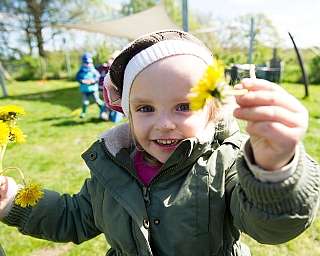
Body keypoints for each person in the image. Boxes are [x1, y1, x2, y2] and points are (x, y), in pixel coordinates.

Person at [0, 29, 319, 256]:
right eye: (145, 108)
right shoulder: (111, 170)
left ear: (212, 111)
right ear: (127, 112)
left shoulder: (226, 164)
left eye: (183, 106)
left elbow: (272, 228)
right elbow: (73, 216)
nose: (163, 123)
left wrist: (274, 169)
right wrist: (13, 199)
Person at [76, 52, 108, 120]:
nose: (88, 64)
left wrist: (93, 81)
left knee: (97, 101)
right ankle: (83, 112)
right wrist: (82, 81)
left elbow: (97, 76)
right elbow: (77, 77)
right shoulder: (81, 71)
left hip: (93, 89)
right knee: (85, 102)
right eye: (86, 63)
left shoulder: (93, 70)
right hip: (85, 90)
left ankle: (103, 110)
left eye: (89, 63)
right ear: (83, 63)